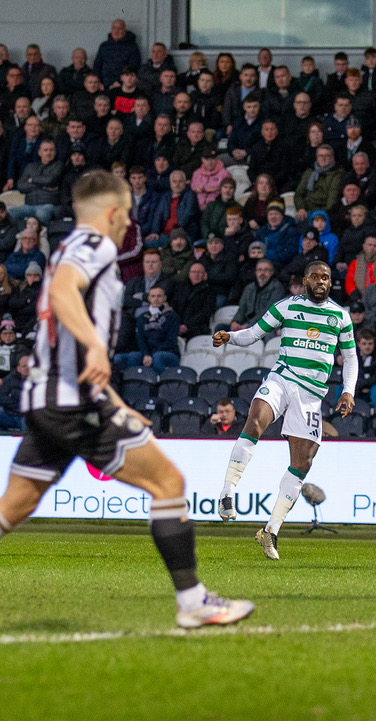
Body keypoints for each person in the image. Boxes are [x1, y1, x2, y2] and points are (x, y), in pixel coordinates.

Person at [0, 170, 252, 628]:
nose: (128, 225)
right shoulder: (93, 246)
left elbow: (65, 334)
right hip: (72, 399)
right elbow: (61, 295)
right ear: (113, 212)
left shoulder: (67, 249)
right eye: (127, 215)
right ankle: (193, 601)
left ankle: (194, 602)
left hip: (51, 398)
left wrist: (114, 400)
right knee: (168, 484)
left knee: (11, 509)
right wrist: (97, 350)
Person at [211, 262, 358, 561]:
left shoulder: (341, 316)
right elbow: (253, 333)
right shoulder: (286, 307)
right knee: (255, 421)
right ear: (305, 280)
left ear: (331, 282)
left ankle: (271, 530)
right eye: (315, 276)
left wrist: (347, 391)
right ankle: (227, 492)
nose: (321, 281)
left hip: (312, 395)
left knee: (302, 463)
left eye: (326, 278)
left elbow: (351, 358)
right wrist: (229, 335)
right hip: (282, 379)